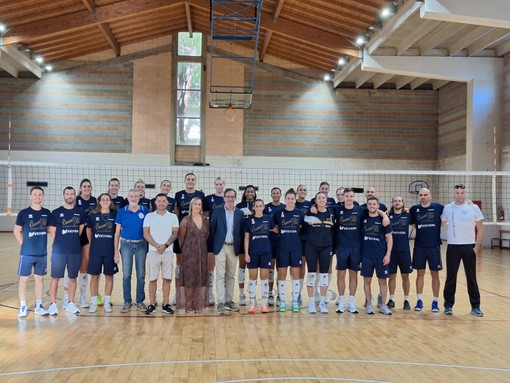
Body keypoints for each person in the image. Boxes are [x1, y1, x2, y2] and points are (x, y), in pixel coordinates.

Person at [441, 184, 484, 317]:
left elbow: (481, 228)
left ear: (466, 193)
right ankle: (448, 305)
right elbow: (441, 224)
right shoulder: (448, 208)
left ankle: (475, 307)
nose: (460, 195)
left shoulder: (473, 207)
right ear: (454, 194)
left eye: (462, 193)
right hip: (453, 246)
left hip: (469, 247)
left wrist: (477, 247)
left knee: (471, 278)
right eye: (457, 193)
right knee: (451, 277)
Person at [48, 186, 87, 315]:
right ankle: (53, 304)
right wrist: (60, 241)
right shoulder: (56, 212)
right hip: (59, 251)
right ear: (63, 196)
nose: (69, 196)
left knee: (72, 278)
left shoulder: (80, 212)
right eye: (67, 194)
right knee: (55, 278)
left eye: (72, 194)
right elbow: (52, 231)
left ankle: (70, 303)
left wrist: (71, 240)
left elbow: (80, 230)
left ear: (75, 196)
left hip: (75, 250)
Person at [13, 186, 51, 317]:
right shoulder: (23, 213)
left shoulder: (47, 213)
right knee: (24, 279)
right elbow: (16, 231)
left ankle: (39, 306)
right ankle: (23, 306)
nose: (37, 197)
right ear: (30, 196)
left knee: (39, 279)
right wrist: (24, 245)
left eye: (40, 194)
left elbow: (51, 230)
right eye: (35, 194)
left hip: (42, 253)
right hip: (27, 253)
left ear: (43, 196)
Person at [114, 188, 149, 313]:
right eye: (131, 196)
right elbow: (117, 233)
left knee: (141, 275)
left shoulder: (145, 211)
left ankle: (140, 301)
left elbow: (149, 230)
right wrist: (115, 252)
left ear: (139, 198)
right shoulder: (121, 212)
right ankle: (127, 301)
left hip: (141, 245)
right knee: (126, 275)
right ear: (127, 198)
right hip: (126, 245)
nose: (133, 198)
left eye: (136, 196)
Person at [143, 193, 179, 315]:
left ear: (167, 203)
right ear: (155, 202)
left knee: (167, 278)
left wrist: (165, 245)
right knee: (153, 279)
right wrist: (157, 246)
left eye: (164, 201)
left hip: (167, 251)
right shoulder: (149, 216)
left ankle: (166, 304)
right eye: (159, 201)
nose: (161, 203)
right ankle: (152, 304)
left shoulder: (173, 217)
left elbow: (175, 233)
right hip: (153, 251)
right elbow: (146, 233)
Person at [210, 188, 244, 314]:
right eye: (228, 197)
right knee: (219, 275)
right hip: (221, 247)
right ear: (224, 198)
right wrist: (217, 243)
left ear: (235, 198)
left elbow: (240, 231)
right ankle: (221, 302)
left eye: (232, 197)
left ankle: (229, 300)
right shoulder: (217, 211)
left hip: (233, 247)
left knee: (230, 275)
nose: (230, 199)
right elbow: (213, 228)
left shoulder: (239, 213)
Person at [409, 188, 444, 312]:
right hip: (419, 246)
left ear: (430, 196)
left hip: (434, 246)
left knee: (435, 274)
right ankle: (419, 300)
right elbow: (412, 223)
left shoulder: (439, 207)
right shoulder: (414, 209)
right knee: (420, 273)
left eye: (425, 195)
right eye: (421, 195)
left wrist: (468, 203)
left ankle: (435, 301)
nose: (423, 197)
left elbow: (448, 215)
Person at [173, 173, 206, 303]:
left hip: (195, 235)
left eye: (193, 179)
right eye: (188, 179)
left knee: (196, 266)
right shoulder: (178, 194)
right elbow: (176, 211)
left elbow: (204, 213)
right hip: (183, 232)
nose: (190, 181)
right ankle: (178, 294)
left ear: (195, 181)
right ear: (185, 181)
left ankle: (197, 295)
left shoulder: (201, 195)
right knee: (180, 265)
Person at [332, 188, 364, 314]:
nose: (349, 198)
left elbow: (375, 209)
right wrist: (313, 206)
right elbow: (321, 206)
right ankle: (341, 301)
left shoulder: (359, 210)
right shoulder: (337, 209)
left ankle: (351, 301)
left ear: (353, 197)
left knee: (353, 274)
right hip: (341, 246)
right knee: (341, 274)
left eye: (351, 196)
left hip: (356, 246)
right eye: (347, 196)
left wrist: (384, 214)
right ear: (343, 197)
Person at [361, 197, 393, 315]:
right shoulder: (363, 218)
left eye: (374, 204)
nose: (372, 206)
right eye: (370, 204)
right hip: (366, 255)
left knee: (383, 281)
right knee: (367, 281)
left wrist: (388, 254)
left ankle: (383, 305)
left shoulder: (383, 220)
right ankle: (369, 305)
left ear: (378, 205)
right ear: (367, 205)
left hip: (381, 255)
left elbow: (389, 238)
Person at [86, 193, 118, 313]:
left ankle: (107, 302)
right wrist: (90, 244)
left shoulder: (115, 215)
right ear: (99, 202)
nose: (105, 201)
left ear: (110, 202)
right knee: (94, 276)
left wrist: (116, 251)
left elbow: (117, 233)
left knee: (109, 276)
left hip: (109, 251)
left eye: (107, 199)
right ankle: (94, 303)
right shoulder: (93, 215)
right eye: (103, 199)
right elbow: (88, 230)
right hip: (96, 251)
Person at [274, 188, 304, 312]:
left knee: (295, 275)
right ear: (285, 200)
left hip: (296, 247)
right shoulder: (278, 213)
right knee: (282, 275)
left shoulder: (299, 213)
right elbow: (274, 228)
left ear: (295, 200)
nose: (290, 200)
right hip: (282, 247)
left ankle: (295, 301)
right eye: (288, 198)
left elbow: (301, 227)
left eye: (292, 199)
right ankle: (282, 301)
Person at [304, 191, 334, 314]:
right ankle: (311, 303)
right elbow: (303, 229)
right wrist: (312, 207)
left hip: (326, 247)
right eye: (319, 198)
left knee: (324, 275)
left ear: (326, 200)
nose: (321, 200)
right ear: (315, 201)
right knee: (311, 275)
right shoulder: (309, 213)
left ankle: (322, 303)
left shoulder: (332, 213)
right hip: (311, 247)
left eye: (323, 198)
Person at [177, 197, 209, 312]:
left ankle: (197, 304)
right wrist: (187, 250)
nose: (197, 206)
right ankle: (189, 304)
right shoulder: (186, 220)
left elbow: (206, 235)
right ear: (191, 206)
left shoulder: (206, 220)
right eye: (195, 204)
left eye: (199, 204)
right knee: (190, 279)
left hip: (202, 253)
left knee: (200, 277)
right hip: (189, 253)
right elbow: (181, 238)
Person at [244, 199, 274, 314]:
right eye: (256, 206)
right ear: (253, 207)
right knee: (252, 277)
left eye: (260, 206)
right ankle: (252, 303)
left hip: (266, 251)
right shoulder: (249, 220)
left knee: (264, 277)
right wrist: (246, 253)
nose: (258, 208)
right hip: (253, 252)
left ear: (263, 207)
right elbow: (246, 238)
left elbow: (274, 229)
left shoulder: (268, 218)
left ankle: (264, 304)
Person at [387, 196, 413, 310]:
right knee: (392, 276)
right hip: (391, 251)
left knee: (405, 276)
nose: (397, 203)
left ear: (403, 203)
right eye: (395, 201)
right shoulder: (387, 215)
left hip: (404, 251)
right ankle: (391, 299)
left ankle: (406, 300)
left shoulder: (408, 215)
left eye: (399, 201)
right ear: (392, 203)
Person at [203, 176, 226, 306]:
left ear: (224, 185)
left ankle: (223, 295)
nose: (219, 186)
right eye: (217, 184)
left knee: (223, 268)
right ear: (214, 185)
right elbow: (205, 215)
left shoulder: (227, 198)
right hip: (211, 235)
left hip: (224, 235)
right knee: (210, 266)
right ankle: (210, 292)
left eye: (221, 184)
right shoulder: (208, 199)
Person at [76, 178, 97, 309]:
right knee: (71, 267)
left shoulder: (95, 201)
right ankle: (68, 298)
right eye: (84, 186)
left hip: (88, 235)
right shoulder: (76, 199)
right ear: (81, 188)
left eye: (89, 186)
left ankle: (83, 298)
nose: (87, 188)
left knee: (84, 267)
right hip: (75, 234)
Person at [264, 186, 286, 306]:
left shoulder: (284, 207)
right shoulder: (266, 208)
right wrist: (273, 228)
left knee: (280, 269)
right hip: (269, 242)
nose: (276, 195)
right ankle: (270, 293)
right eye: (274, 193)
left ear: (280, 194)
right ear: (271, 195)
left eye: (278, 193)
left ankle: (279, 295)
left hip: (282, 242)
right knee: (270, 269)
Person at [236, 185, 257, 306]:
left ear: (254, 194)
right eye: (248, 191)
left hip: (255, 240)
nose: (250, 193)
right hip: (241, 239)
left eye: (252, 192)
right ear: (245, 193)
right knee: (242, 266)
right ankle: (241, 294)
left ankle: (252, 295)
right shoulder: (239, 206)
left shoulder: (258, 205)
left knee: (253, 268)